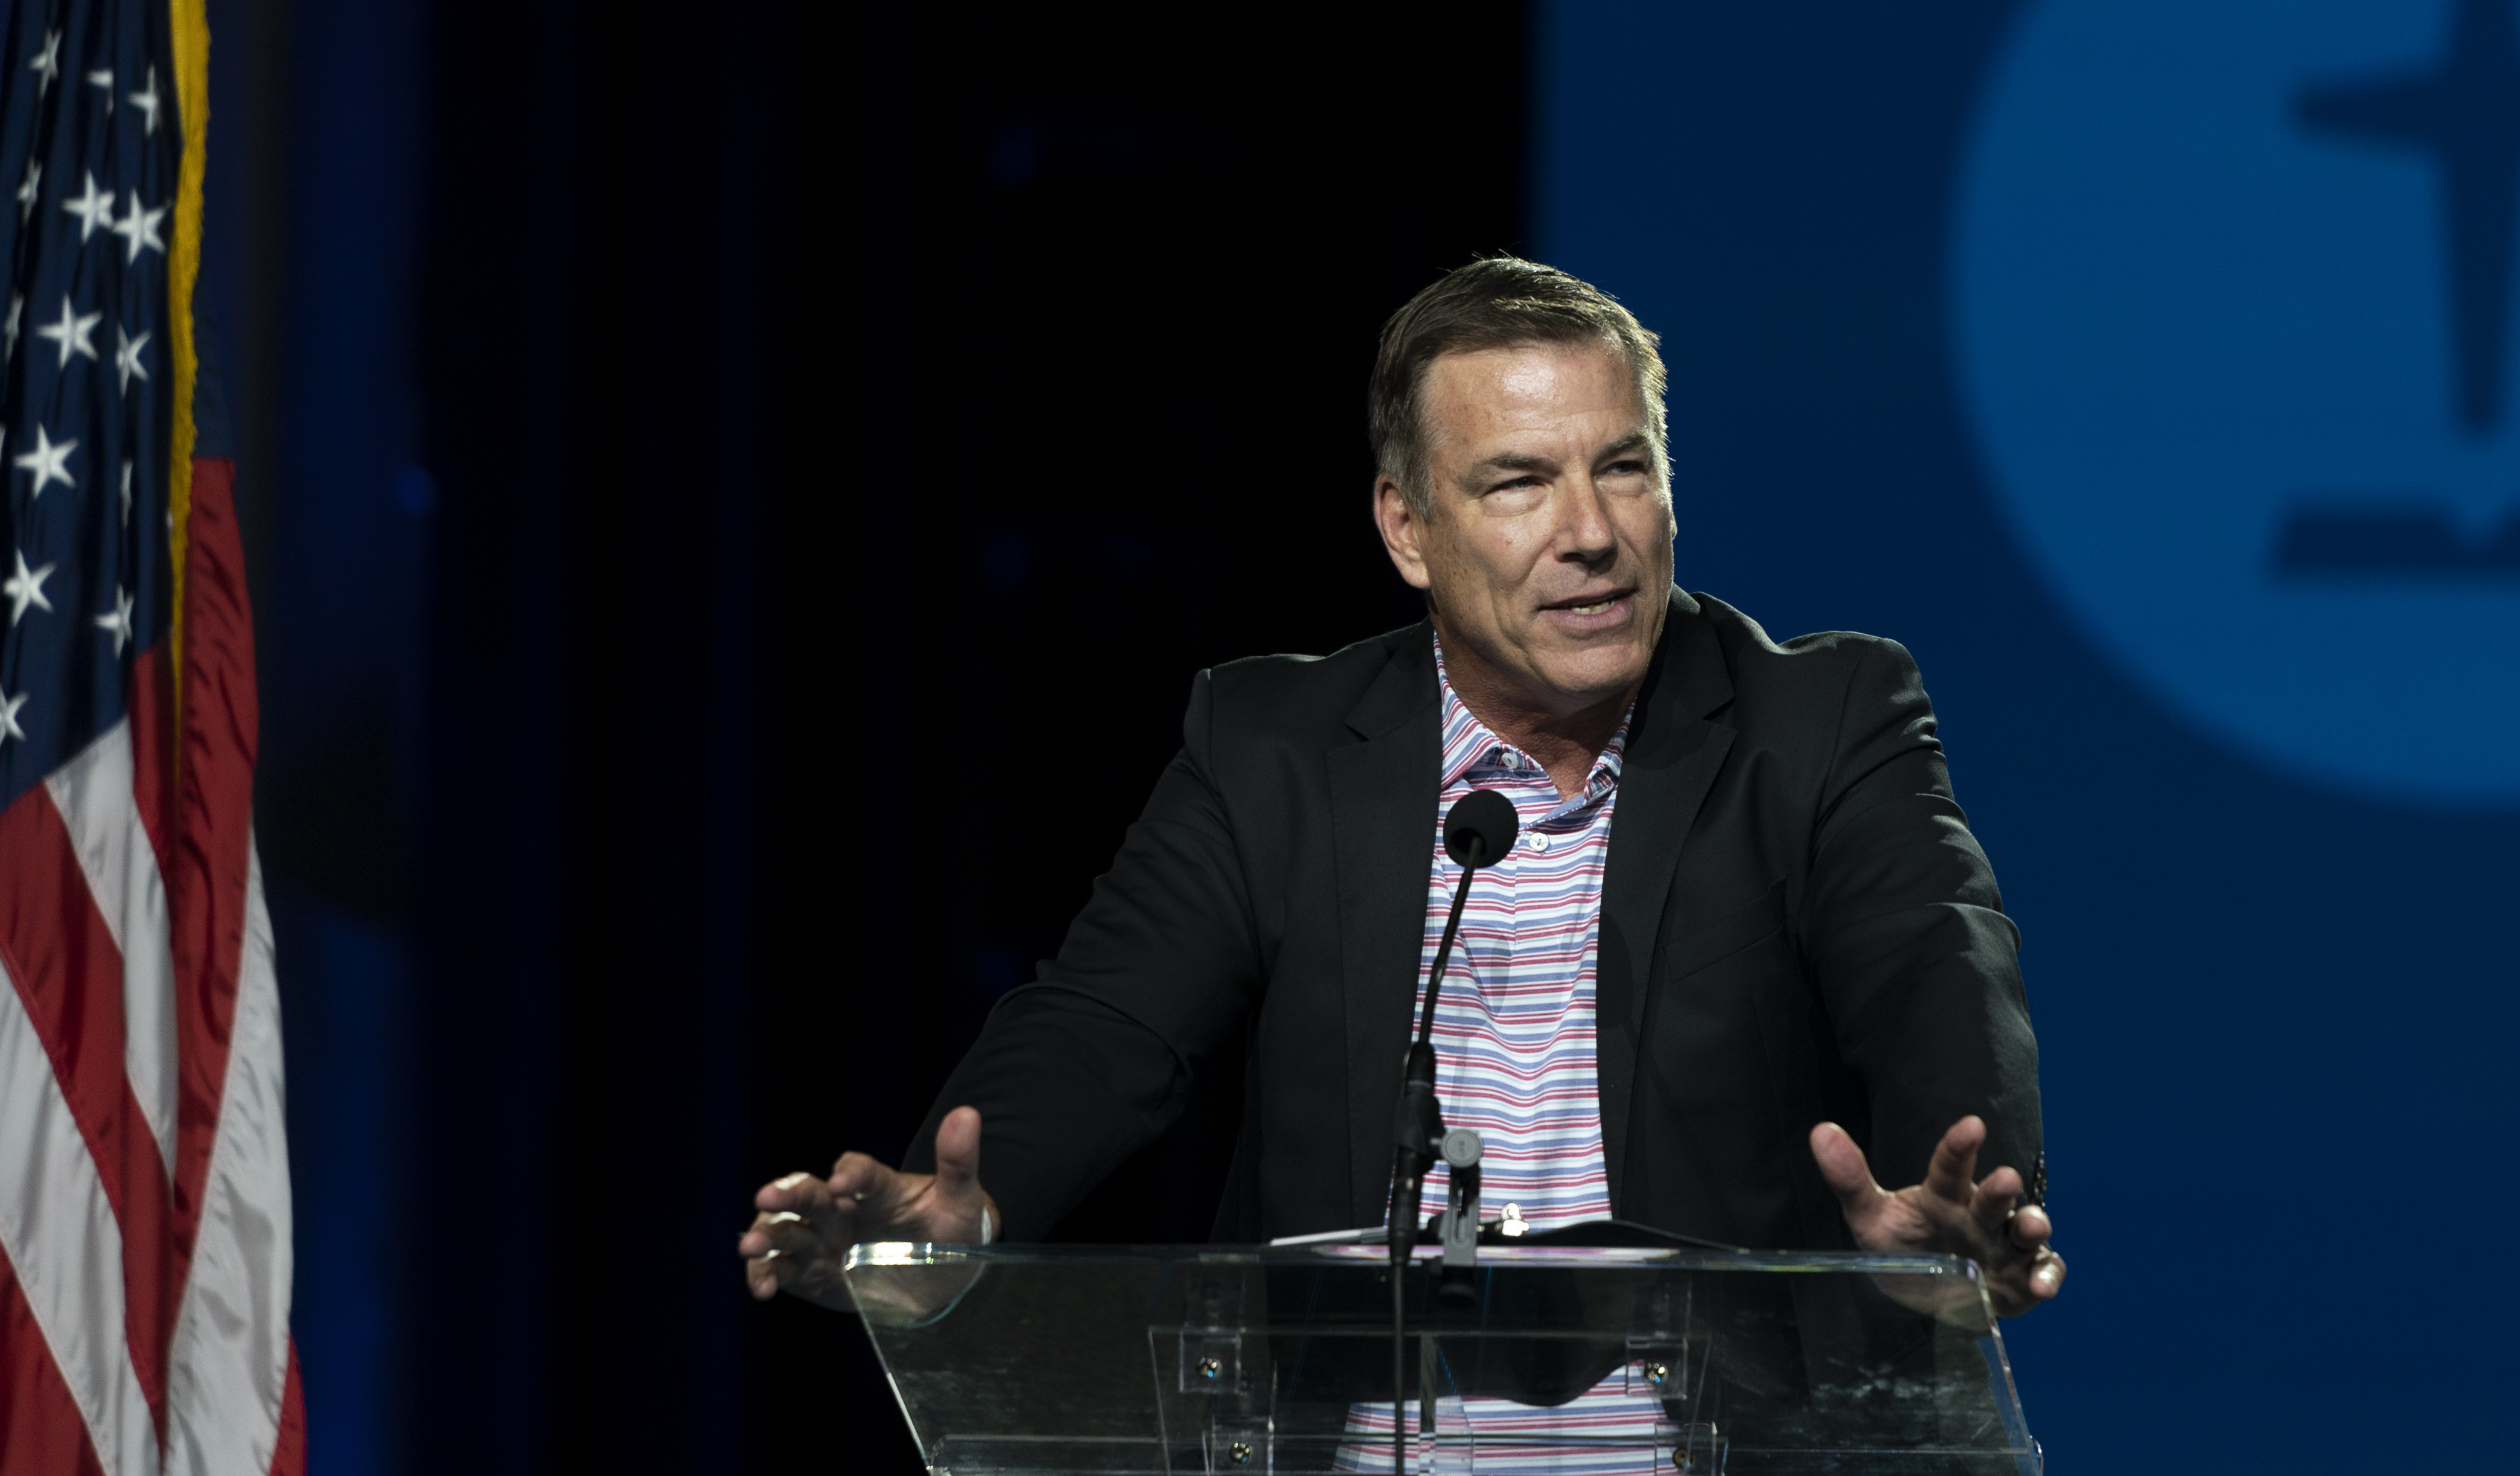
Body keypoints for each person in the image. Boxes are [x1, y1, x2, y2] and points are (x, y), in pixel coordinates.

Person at [740, 258, 2064, 1318]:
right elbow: (1107, 1023)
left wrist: (1961, 1207)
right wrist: (967, 1205)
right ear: (1404, 527)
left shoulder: (1818, 718)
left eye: (1623, 465)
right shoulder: (1279, 743)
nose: (1590, 530)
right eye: (1517, 482)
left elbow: (1936, 967)